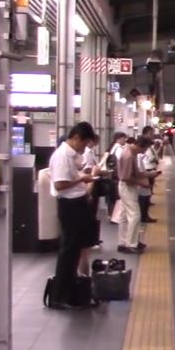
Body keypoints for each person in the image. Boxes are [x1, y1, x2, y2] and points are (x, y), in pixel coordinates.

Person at [49, 121, 98, 308]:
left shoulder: (71, 155)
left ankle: (71, 293)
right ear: (76, 138)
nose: (84, 147)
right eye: (84, 143)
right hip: (70, 207)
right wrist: (82, 179)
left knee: (74, 251)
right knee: (68, 252)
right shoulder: (62, 156)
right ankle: (59, 297)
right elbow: (60, 184)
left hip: (77, 205)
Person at [117, 136, 160, 253]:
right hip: (127, 188)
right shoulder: (128, 156)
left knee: (125, 216)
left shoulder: (131, 153)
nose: (144, 152)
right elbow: (126, 178)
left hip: (127, 187)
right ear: (140, 145)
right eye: (145, 149)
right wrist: (142, 183)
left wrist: (150, 174)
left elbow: (135, 173)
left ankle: (123, 242)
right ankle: (131, 244)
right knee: (135, 215)